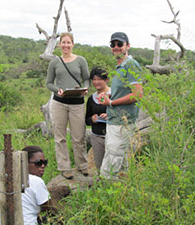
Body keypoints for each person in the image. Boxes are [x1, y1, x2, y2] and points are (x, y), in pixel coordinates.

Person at [98, 32, 143, 180]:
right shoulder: (119, 66)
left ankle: (106, 191)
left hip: (122, 121)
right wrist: (109, 96)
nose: (116, 47)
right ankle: (121, 194)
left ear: (127, 46)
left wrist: (110, 103)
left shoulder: (131, 65)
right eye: (113, 44)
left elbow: (137, 94)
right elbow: (124, 92)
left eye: (120, 44)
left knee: (113, 159)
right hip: (115, 120)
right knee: (121, 160)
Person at [46, 32, 90, 179]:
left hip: (77, 102)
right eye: (63, 42)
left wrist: (85, 89)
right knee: (60, 137)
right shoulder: (55, 62)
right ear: (59, 45)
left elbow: (86, 79)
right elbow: (49, 83)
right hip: (59, 103)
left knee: (79, 136)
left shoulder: (81, 60)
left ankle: (82, 165)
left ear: (73, 44)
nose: (65, 45)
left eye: (68, 42)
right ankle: (64, 167)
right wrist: (57, 90)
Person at [0, 146, 56, 225]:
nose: (43, 166)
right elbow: (50, 209)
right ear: (25, 163)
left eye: (45, 163)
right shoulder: (36, 181)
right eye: (38, 163)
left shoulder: (8, 179)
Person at [85, 67, 111, 172]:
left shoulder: (115, 94)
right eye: (94, 80)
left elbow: (123, 114)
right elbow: (86, 120)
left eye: (99, 79)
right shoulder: (91, 99)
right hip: (97, 137)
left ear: (106, 80)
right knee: (100, 166)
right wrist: (92, 119)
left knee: (114, 164)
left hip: (112, 135)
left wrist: (110, 115)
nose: (96, 82)